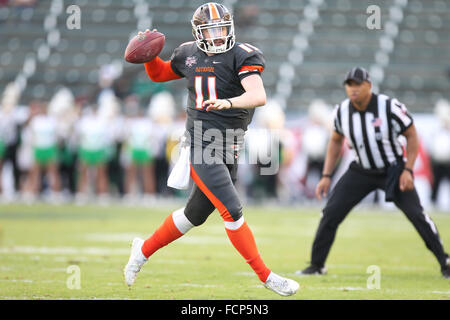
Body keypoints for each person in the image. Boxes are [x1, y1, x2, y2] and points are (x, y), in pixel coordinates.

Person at [124, 2, 299, 296]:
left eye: (222, 29)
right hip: (202, 144)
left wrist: (229, 102)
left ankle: (142, 250)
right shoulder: (187, 53)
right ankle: (267, 277)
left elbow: (258, 95)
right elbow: (159, 75)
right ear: (198, 32)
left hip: (230, 144)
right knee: (231, 210)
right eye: (211, 30)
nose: (218, 36)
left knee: (194, 214)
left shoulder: (242, 55)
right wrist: (149, 57)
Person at [297, 67, 450, 279]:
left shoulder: (389, 107)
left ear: (369, 85)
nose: (353, 89)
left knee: (417, 215)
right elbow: (335, 140)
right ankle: (317, 265)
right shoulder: (342, 111)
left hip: (393, 169)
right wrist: (326, 175)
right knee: (331, 213)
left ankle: (445, 261)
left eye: (358, 84)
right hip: (362, 170)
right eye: (349, 84)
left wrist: (408, 169)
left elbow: (412, 135)